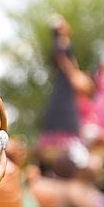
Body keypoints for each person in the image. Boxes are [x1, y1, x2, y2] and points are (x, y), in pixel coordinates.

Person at [37, 16, 93, 168]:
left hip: (65, 83)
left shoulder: (63, 42)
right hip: (65, 82)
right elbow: (66, 63)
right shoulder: (61, 43)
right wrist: (75, 76)